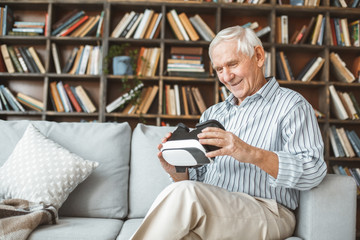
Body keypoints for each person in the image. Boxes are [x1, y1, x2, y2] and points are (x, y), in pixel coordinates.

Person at [131, 25, 327, 240]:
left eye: (233, 64)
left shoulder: (292, 106)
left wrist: (251, 153)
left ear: (259, 56)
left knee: (185, 193)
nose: (226, 76)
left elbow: (313, 171)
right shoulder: (213, 114)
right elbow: (198, 181)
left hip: (268, 212)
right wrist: (176, 171)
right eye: (219, 69)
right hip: (215, 213)